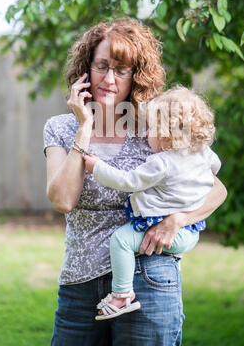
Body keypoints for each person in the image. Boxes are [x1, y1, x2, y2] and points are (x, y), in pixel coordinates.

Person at [43, 17, 227, 346]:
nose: (109, 79)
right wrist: (84, 128)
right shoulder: (61, 127)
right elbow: (62, 200)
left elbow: (216, 188)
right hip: (79, 284)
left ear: (135, 77)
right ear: (86, 69)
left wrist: (180, 219)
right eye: (101, 66)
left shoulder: (157, 125)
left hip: (149, 277)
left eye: (122, 70)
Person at [83, 85, 221, 320]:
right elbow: (215, 170)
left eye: (151, 129)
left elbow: (127, 181)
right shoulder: (204, 154)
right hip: (192, 231)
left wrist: (97, 168)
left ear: (167, 133)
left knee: (122, 240)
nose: (147, 135)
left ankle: (122, 294)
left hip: (172, 233)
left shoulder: (163, 163)